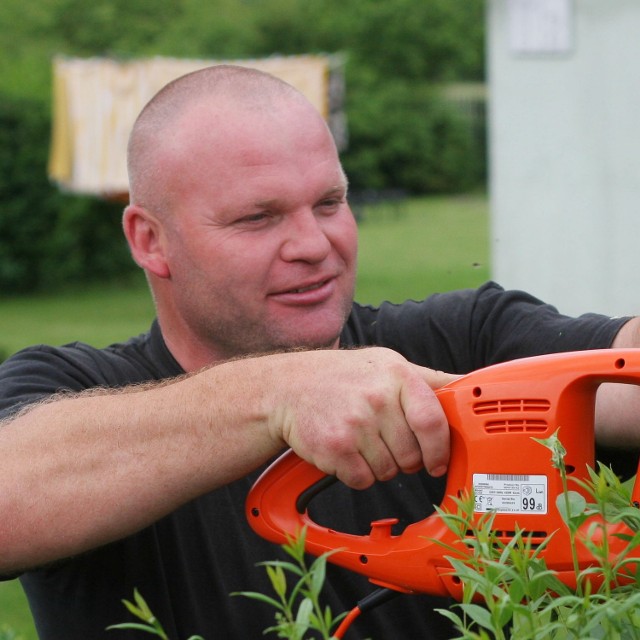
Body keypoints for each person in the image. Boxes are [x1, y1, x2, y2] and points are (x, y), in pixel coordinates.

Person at [0, 64, 639, 640]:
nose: (314, 244)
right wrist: (280, 396)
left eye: (330, 203)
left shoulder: (467, 339)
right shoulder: (71, 390)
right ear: (150, 240)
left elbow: (622, 375)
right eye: (258, 217)